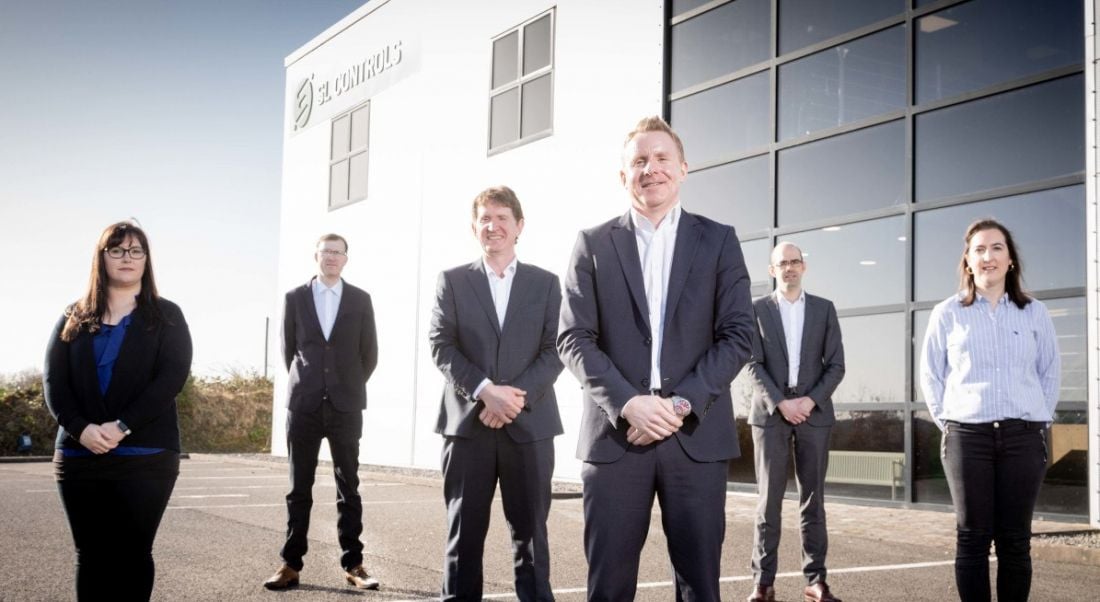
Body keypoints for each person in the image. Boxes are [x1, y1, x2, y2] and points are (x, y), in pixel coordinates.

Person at [558, 116, 755, 601]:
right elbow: (573, 337)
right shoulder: (593, 243)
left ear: (683, 168)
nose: (652, 168)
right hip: (614, 438)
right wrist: (629, 403)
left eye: (662, 158)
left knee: (700, 588)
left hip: (695, 438)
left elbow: (738, 335)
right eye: (639, 161)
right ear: (623, 175)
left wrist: (679, 404)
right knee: (608, 588)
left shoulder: (719, 240)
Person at [44, 221, 193, 601]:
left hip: (147, 454)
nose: (127, 258)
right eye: (117, 250)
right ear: (102, 257)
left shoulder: (167, 316)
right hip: (80, 454)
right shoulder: (73, 316)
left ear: (146, 260)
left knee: (133, 555)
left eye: (136, 251)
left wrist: (122, 426)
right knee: (90, 556)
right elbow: (54, 383)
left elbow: (171, 379)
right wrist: (81, 429)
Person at [429, 185, 564, 601]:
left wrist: (511, 398)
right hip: (468, 427)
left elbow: (556, 347)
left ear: (519, 226)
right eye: (485, 218)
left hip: (530, 424)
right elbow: (440, 344)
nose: (493, 226)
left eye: (502, 217)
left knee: (531, 539)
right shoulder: (451, 281)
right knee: (464, 535)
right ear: (474, 227)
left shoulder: (546, 283)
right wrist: (486, 391)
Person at [919, 219, 1060, 602]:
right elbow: (931, 375)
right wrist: (948, 422)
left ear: (1010, 259)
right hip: (968, 436)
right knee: (972, 538)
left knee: (1015, 540)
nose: (988, 256)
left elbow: (1049, 372)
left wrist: (1037, 417)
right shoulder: (947, 313)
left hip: (1023, 436)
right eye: (979, 249)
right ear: (967, 260)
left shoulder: (1035, 313)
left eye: (997, 248)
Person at [264, 233, 380, 591]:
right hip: (304, 406)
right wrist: (311, 383)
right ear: (316, 256)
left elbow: (369, 354)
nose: (331, 257)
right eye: (326, 251)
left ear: (346, 258)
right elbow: (289, 352)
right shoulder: (295, 298)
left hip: (346, 405)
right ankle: (290, 565)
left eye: (338, 252)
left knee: (349, 488)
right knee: (299, 488)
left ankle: (354, 565)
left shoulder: (361, 300)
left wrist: (346, 385)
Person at [746, 242, 845, 602]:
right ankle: (763, 582)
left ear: (804, 266)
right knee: (768, 501)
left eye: (794, 262)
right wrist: (781, 402)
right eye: (781, 263)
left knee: (813, 501)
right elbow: (752, 363)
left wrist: (808, 400)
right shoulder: (755, 310)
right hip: (771, 416)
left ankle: (816, 579)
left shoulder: (824, 309)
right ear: (772, 270)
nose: (788, 268)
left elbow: (836, 365)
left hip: (813, 415)